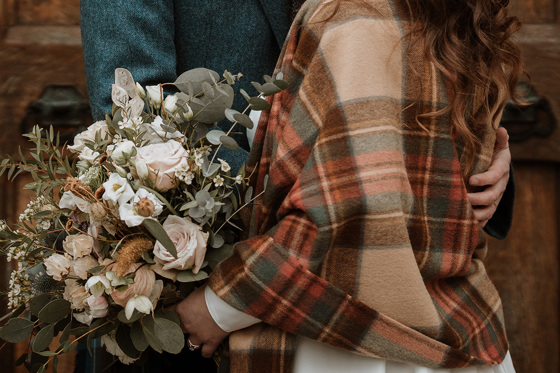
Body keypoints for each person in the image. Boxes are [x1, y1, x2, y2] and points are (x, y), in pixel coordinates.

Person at [171, 0, 523, 372]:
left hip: (343, 333)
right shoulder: (460, 18)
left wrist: (222, 304)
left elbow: (344, 204)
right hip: (452, 320)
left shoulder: (352, 19)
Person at [80, 0, 514, 235]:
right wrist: (309, 210)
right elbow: (135, 112)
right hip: (216, 256)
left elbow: (434, 53)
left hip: (392, 265)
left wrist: (478, 162)